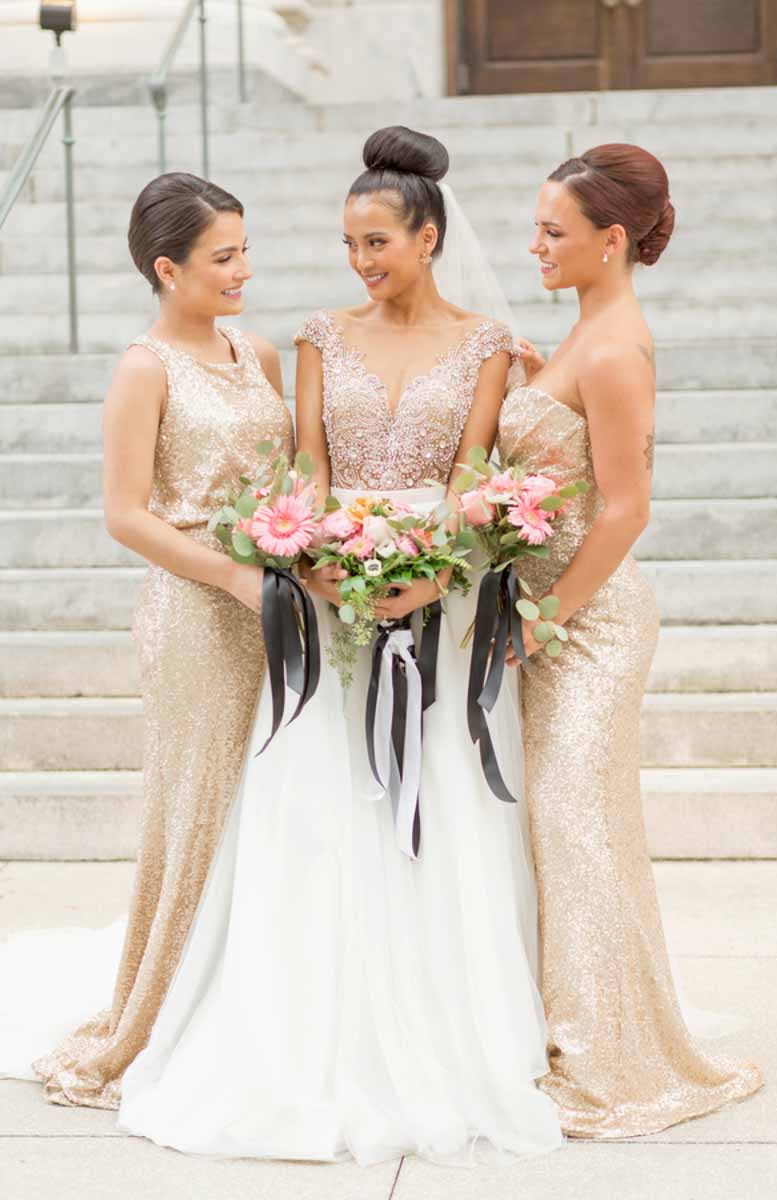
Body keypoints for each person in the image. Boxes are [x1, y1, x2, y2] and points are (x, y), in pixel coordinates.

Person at [117, 127, 563, 1166]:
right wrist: (323, 548)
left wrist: (437, 561)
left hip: (439, 593)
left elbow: (470, 470)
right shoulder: (313, 337)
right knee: (319, 795)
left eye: (377, 241)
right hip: (326, 589)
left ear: (428, 235)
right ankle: (305, 1017)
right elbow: (306, 460)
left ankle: (458, 1019)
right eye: (348, 243)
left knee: (441, 795)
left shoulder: (491, 344)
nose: (360, 261)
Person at [1, 172, 293, 1108]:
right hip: (197, 614)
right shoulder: (144, 369)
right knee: (200, 802)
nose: (243, 269)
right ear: (168, 270)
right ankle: (165, 1011)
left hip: (278, 602)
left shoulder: (258, 355)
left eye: (245, 248)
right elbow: (126, 516)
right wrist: (236, 577)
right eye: (223, 256)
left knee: (277, 800)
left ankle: (266, 998)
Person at [498, 143, 762, 1138]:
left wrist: (545, 618)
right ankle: (570, 1021)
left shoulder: (613, 348)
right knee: (556, 830)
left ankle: (609, 1054)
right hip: (547, 608)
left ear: (611, 241)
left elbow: (624, 510)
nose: (533, 246)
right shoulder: (578, 334)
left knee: (577, 826)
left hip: (590, 622)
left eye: (551, 232)